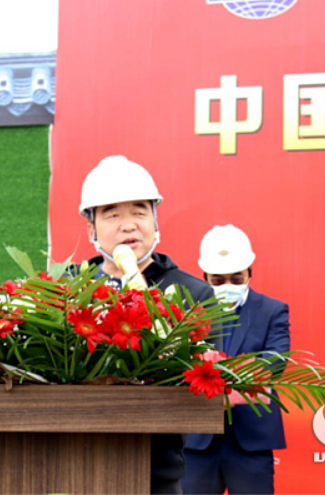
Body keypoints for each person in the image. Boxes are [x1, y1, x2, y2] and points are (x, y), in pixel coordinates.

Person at [79, 155, 215, 494]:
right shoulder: (68, 290)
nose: (128, 225)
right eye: (112, 214)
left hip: (157, 472)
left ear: (155, 221)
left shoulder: (194, 293)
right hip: (79, 464)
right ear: (91, 229)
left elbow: (202, 379)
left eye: (139, 212)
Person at [182, 225, 289, 495]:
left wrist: (227, 383)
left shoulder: (272, 310)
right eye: (218, 281)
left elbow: (275, 359)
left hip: (250, 439)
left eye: (236, 279)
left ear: (250, 273)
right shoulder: (186, 313)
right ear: (205, 277)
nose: (227, 286)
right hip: (197, 441)